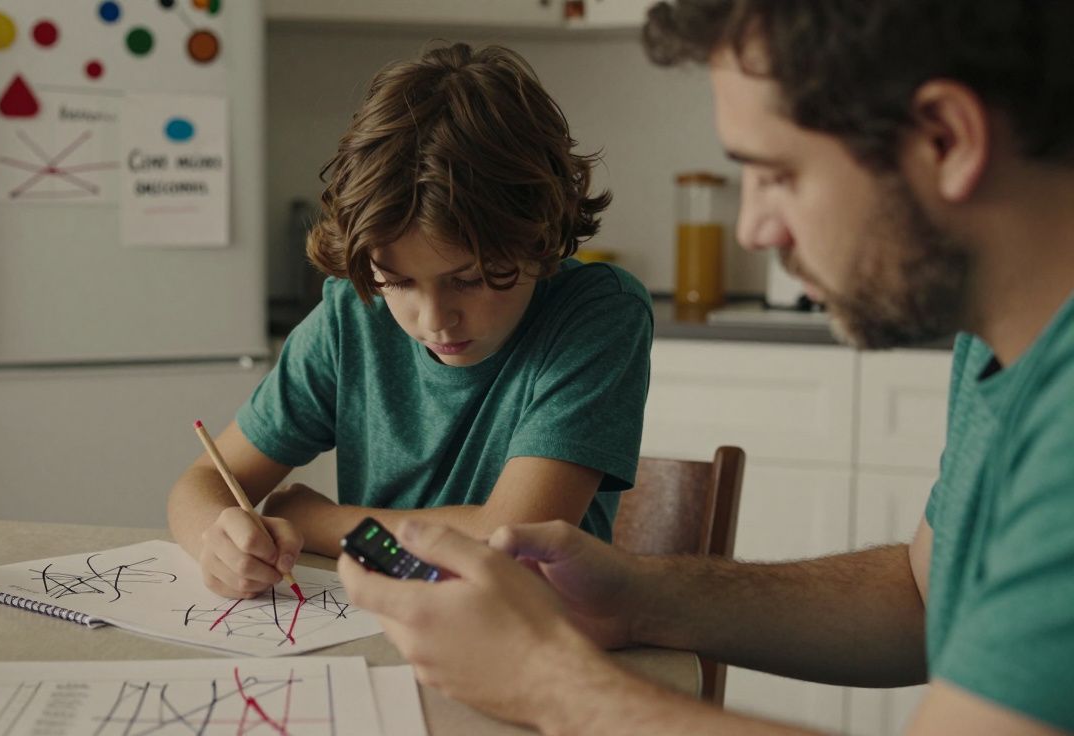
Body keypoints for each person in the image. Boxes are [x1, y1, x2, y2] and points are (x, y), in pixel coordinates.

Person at [339, 2, 1074, 734]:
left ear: (945, 139)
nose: (752, 227)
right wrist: (638, 598)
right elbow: (924, 597)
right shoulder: (1006, 333)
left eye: (775, 173)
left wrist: (545, 682)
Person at [169, 43, 653, 600]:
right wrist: (219, 538)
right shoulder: (352, 317)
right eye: (396, 281)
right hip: (378, 633)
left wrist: (321, 523)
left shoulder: (597, 314)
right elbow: (201, 483)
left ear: (538, 237)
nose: (434, 319)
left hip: (536, 638)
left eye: (469, 279)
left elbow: (512, 548)